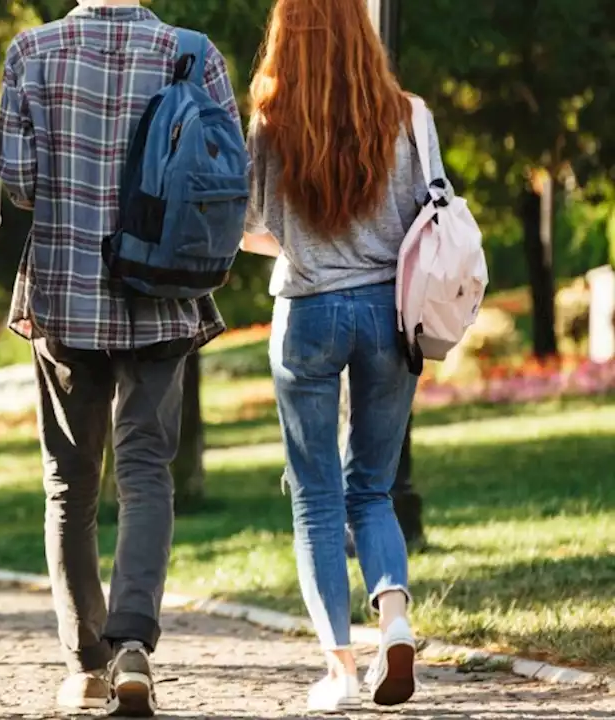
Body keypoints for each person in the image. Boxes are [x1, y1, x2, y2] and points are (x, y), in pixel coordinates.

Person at [0, 1, 240, 716]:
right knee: (146, 471)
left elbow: (18, 183)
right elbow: (229, 178)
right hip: (164, 291)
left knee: (70, 483)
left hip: (66, 291)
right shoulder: (193, 53)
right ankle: (133, 645)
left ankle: (85, 663)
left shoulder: (30, 53)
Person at [240, 0, 441, 710]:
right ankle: (394, 621)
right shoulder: (410, 115)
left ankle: (342, 672)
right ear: (362, 31)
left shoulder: (270, 118)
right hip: (391, 315)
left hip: (308, 314)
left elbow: (251, 228)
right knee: (373, 489)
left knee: (317, 498)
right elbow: (430, 217)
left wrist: (309, 240)